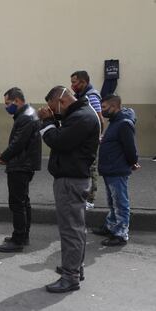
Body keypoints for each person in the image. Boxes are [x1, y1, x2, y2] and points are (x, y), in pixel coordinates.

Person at [38, 86, 100, 293]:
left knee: (70, 230)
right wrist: (54, 121)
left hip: (71, 180)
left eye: (53, 108)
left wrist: (46, 122)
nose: (55, 112)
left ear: (61, 102)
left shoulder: (82, 117)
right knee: (76, 228)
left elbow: (58, 141)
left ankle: (70, 276)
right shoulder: (80, 114)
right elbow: (66, 136)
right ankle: (75, 267)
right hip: (73, 178)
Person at [0, 87, 41, 252]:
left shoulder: (26, 117)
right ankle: (23, 235)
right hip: (25, 164)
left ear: (17, 101)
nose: (6, 107)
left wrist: (3, 157)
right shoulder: (28, 114)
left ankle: (18, 239)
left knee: (17, 203)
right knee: (23, 201)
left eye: (8, 103)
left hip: (21, 165)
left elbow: (18, 143)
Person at [93, 95, 140, 246]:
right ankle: (111, 226)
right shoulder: (114, 122)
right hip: (110, 169)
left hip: (117, 169)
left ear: (115, 106)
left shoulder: (124, 123)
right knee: (112, 201)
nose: (102, 110)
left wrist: (133, 162)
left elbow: (130, 147)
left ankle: (121, 234)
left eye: (105, 107)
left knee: (120, 202)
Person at [71, 70, 103, 209]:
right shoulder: (80, 96)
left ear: (83, 82)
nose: (72, 85)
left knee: (91, 168)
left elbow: (99, 119)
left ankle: (90, 199)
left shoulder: (91, 97)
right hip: (81, 140)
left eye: (74, 82)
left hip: (90, 141)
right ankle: (82, 195)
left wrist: (97, 137)